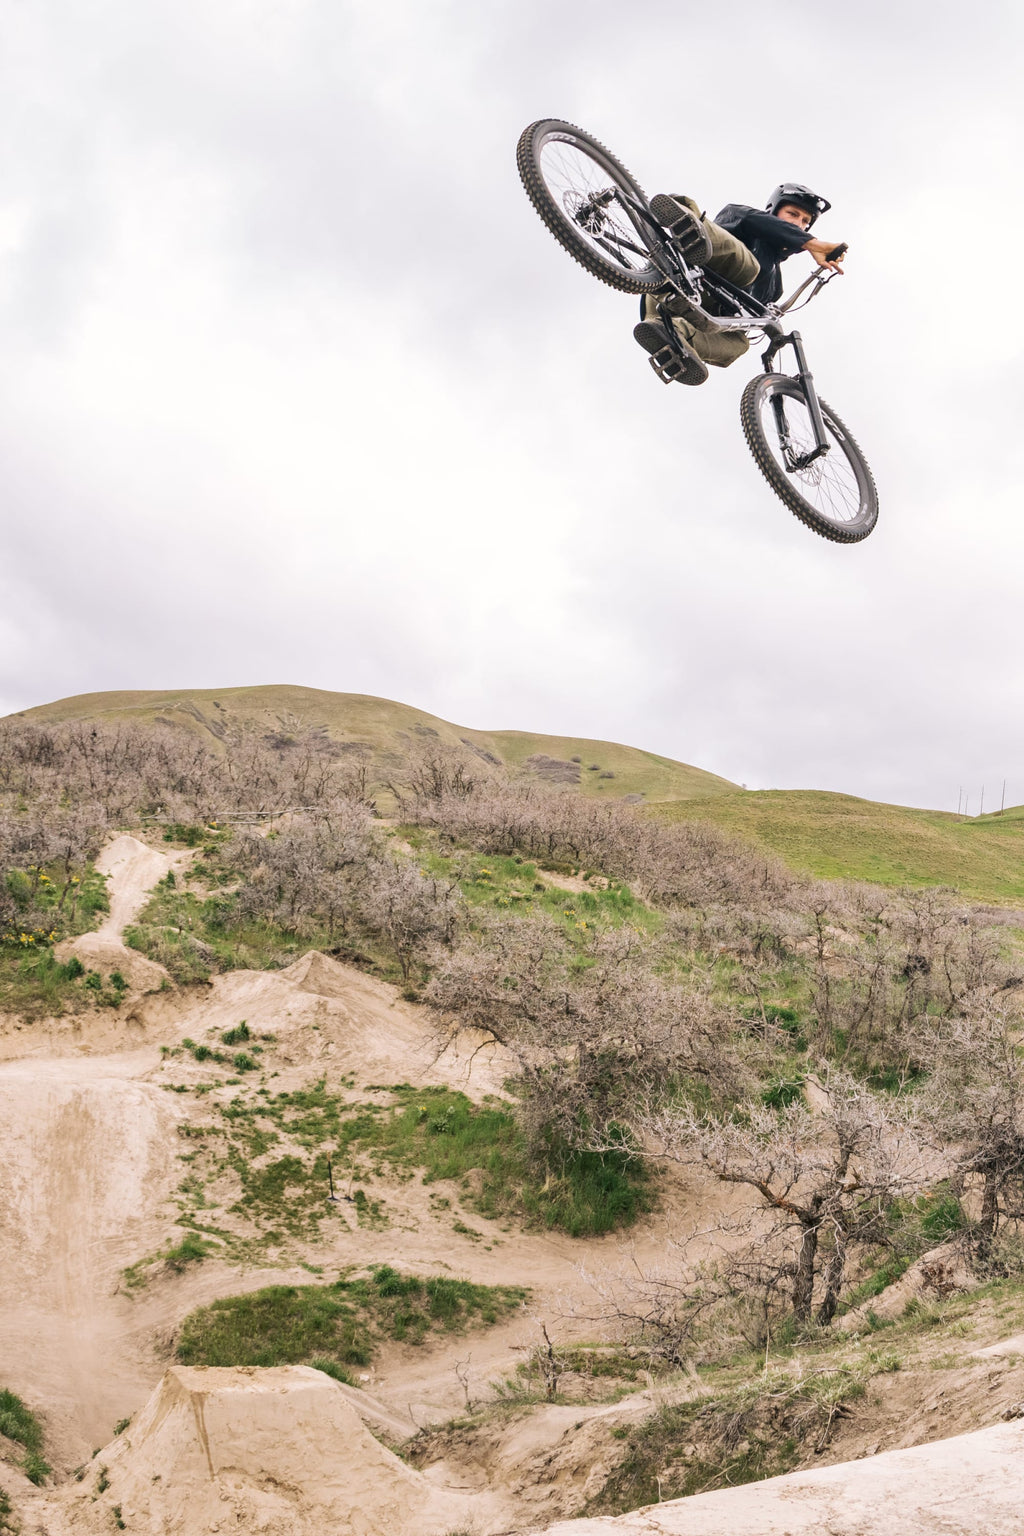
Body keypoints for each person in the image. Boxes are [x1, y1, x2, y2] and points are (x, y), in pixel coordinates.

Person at [633, 185, 846, 385]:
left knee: (740, 343)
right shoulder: (749, 223)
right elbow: (743, 216)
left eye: (805, 222)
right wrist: (811, 243)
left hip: (678, 312)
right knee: (749, 269)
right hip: (672, 279)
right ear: (773, 211)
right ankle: (684, 218)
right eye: (792, 214)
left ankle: (674, 337)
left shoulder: (774, 288)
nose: (799, 224)